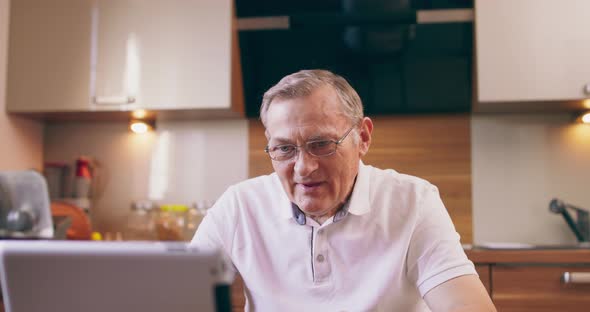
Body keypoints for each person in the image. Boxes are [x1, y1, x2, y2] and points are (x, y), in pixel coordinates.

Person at [192, 69, 496, 311]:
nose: (303, 168)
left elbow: (465, 304)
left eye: (321, 144)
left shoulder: (413, 201)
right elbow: (180, 295)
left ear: (362, 137)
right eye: (284, 148)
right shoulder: (239, 205)